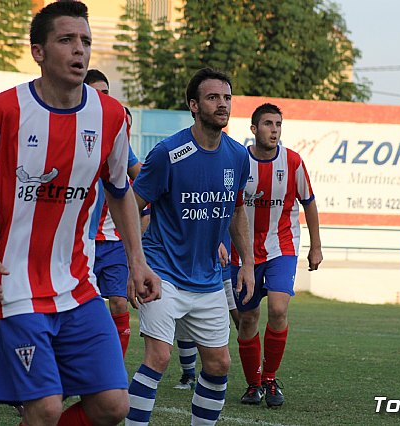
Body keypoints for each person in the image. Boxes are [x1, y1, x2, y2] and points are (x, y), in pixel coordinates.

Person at [0, 2, 160, 425]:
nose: (79, 50)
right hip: (13, 291)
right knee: (45, 409)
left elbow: (120, 190)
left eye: (86, 41)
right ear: (38, 51)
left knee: (113, 407)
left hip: (78, 285)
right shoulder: (1, 111)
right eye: (66, 40)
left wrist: (137, 261)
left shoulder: (110, 117)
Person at [126, 67, 255, 425]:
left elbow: (237, 211)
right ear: (193, 105)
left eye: (227, 98)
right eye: (213, 97)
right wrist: (135, 264)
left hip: (208, 279)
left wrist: (246, 263)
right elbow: (132, 207)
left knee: (219, 364)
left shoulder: (237, 156)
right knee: (159, 357)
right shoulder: (168, 152)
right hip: (162, 272)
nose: (222, 104)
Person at [231, 103, 323, 408]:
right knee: (247, 318)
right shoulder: (238, 161)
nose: (275, 130)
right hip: (243, 251)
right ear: (254, 129)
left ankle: (270, 379)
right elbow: (227, 207)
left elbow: (308, 202)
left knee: (280, 309)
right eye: (268, 124)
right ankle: (253, 384)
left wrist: (316, 245)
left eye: (278, 124)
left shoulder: (293, 162)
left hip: (281, 247)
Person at [85, 69, 142, 356]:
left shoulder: (116, 137)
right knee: (83, 310)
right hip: (80, 241)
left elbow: (142, 177)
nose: (104, 100)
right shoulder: (66, 126)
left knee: (119, 303)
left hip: (114, 242)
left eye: (107, 93)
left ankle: (113, 370)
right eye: (97, 93)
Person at [174, 233, 239, 390]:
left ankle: (255, 380)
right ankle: (188, 376)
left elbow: (238, 218)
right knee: (188, 318)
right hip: (193, 268)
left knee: (243, 321)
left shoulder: (232, 208)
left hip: (227, 268)